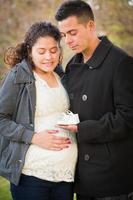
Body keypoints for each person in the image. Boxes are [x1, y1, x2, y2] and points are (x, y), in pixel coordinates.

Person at [55, 1, 133, 200]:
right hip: (83, 177)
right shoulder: (73, 64)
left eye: (72, 32)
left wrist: (84, 129)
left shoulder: (120, 62)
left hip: (112, 178)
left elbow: (127, 118)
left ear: (91, 26)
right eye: (64, 35)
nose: (68, 40)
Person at [0, 21, 77, 200]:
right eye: (41, 51)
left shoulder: (62, 76)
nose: (48, 57)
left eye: (53, 50)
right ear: (30, 52)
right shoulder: (18, 76)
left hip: (65, 177)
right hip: (31, 177)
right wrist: (34, 137)